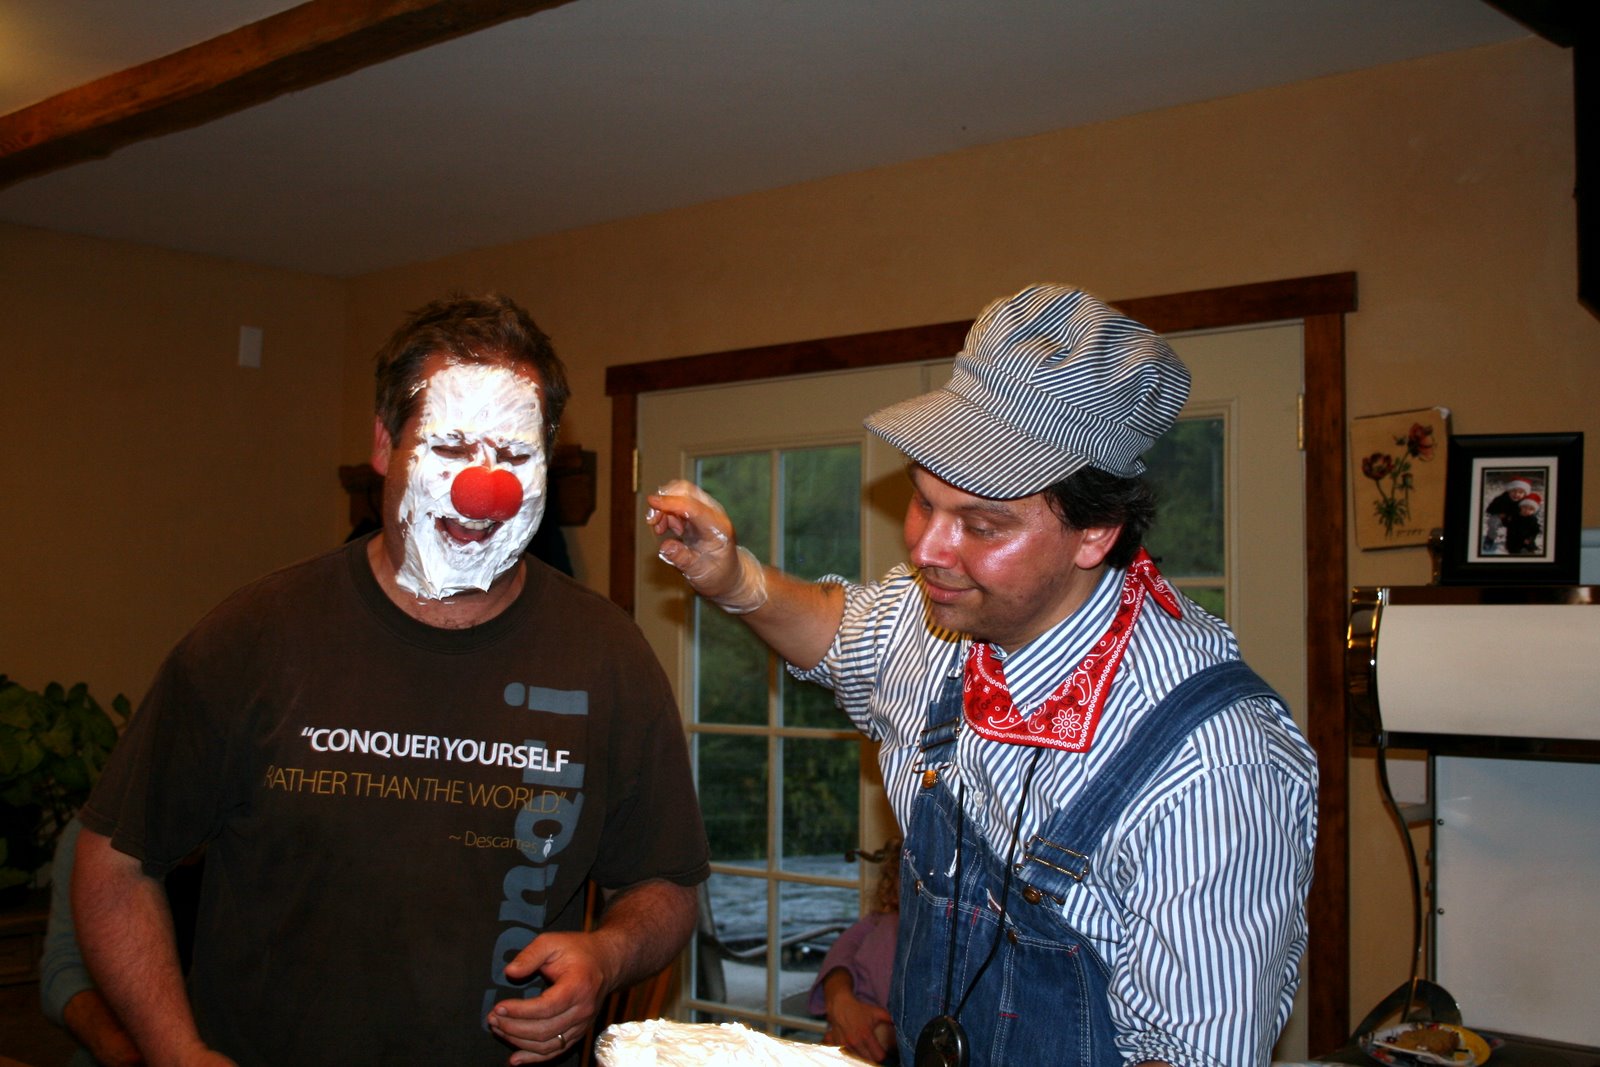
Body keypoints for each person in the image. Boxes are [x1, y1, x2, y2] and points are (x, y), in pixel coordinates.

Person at [647, 285, 1318, 1067]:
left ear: (1095, 531)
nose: (928, 549)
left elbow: (1190, 1054)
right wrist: (736, 579)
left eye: (980, 523)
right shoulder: (942, 617)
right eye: (923, 501)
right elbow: (841, 630)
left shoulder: (1215, 765)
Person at [73, 292, 710, 1067]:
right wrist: (176, 1053)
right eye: (451, 445)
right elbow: (114, 861)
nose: (484, 487)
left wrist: (607, 954)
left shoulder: (608, 655)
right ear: (384, 444)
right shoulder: (255, 637)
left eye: (514, 456)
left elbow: (667, 884)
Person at [807, 843, 901, 1064]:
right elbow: (840, 952)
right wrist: (841, 1000)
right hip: (847, 1041)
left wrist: (884, 1032)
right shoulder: (880, 922)